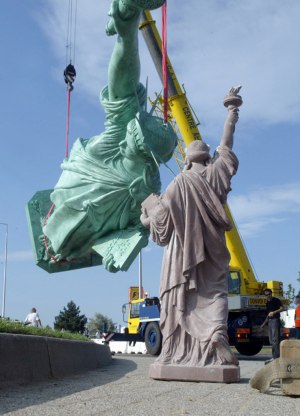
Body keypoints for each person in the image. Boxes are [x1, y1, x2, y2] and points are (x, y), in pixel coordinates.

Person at [42, 0, 176, 271]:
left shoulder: (148, 183)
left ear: (141, 149)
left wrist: (125, 247)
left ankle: (126, 21)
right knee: (124, 96)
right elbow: (122, 84)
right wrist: (127, 30)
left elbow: (145, 225)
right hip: (64, 223)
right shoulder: (118, 139)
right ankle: (125, 17)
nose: (129, 129)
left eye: (133, 133)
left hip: (85, 236)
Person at [140, 88, 241, 367]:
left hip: (183, 252)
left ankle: (179, 352)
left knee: (182, 296)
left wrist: (145, 218)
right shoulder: (216, 173)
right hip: (214, 248)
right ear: (207, 157)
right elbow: (227, 145)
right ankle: (217, 334)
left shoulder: (179, 183)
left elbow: (162, 226)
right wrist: (231, 112)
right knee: (216, 292)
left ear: (187, 159)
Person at [260, 289, 283, 362]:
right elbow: (268, 315)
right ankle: (274, 356)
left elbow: (282, 308)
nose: (268, 296)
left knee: (275, 339)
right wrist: (263, 325)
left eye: (269, 294)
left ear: (271, 294)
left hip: (275, 321)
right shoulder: (267, 303)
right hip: (270, 322)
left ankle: (276, 357)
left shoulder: (276, 300)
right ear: (265, 296)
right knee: (271, 340)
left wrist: (274, 312)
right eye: (266, 295)